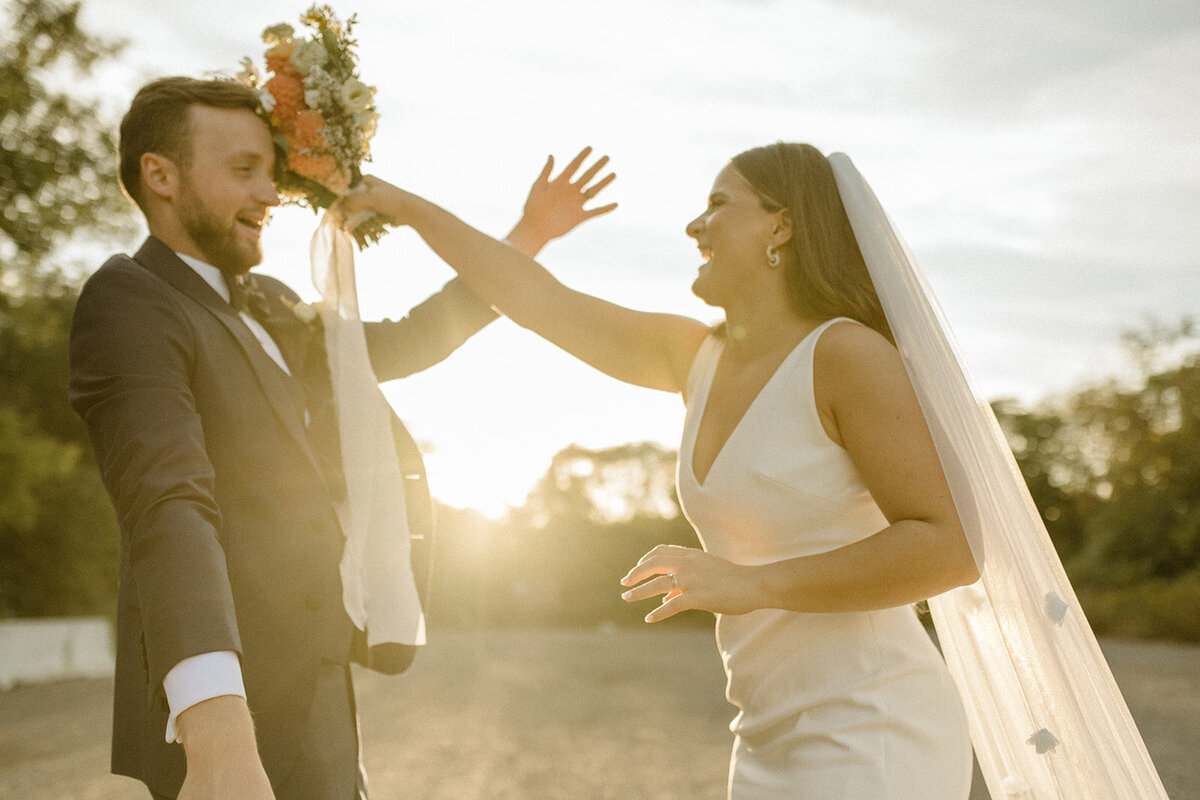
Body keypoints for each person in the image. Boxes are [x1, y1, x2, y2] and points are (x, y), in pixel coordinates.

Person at [340, 143, 981, 799]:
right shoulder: (693, 357)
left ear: (780, 226)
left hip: (873, 731)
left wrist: (753, 583)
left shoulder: (845, 354)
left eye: (717, 205)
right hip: (765, 733)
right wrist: (408, 208)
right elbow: (533, 298)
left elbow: (951, 547)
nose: (694, 226)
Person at [68, 77, 608, 800]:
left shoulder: (276, 304)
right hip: (231, 713)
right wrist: (217, 728)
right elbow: (167, 507)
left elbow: (416, 338)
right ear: (159, 176)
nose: (270, 192)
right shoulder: (131, 299)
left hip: (318, 686)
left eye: (272, 170)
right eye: (242, 170)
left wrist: (527, 237)